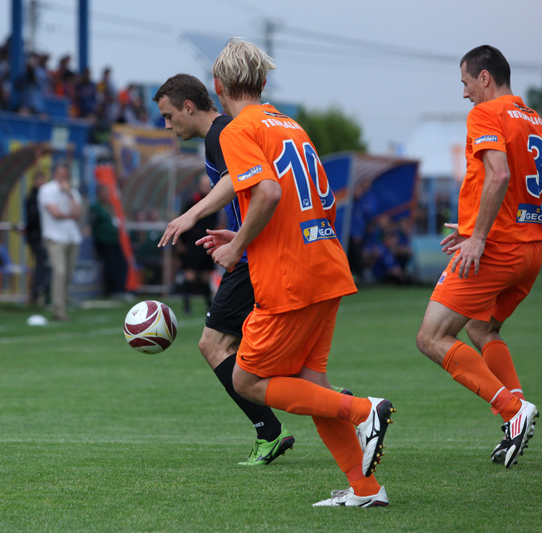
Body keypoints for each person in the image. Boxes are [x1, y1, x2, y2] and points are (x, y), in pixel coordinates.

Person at [199, 39, 395, 507]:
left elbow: (267, 194)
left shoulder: (236, 129)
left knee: (246, 380)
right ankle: (367, 489)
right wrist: (246, 236)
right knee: (311, 385)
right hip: (324, 260)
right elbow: (311, 199)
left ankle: (365, 410)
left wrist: (240, 244)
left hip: (292, 276)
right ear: (263, 83)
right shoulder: (289, 124)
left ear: (218, 85)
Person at [415, 45, 542, 469]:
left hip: (497, 248)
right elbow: (516, 187)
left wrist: (479, 237)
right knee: (480, 328)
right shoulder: (536, 122)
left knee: (431, 337)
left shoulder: (486, 114)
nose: (466, 93)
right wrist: (472, 225)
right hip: (529, 249)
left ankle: (511, 410)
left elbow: (500, 174)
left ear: (485, 77)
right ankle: (516, 415)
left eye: (466, 83)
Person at [154, 73, 295, 466]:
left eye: (168, 116)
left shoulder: (221, 133)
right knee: (253, 350)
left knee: (213, 345)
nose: (168, 126)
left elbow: (240, 178)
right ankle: (333, 400)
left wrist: (192, 214)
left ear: (188, 106)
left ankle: (272, 431)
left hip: (251, 258)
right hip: (255, 250)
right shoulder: (221, 134)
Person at [38, 162, 82, 321]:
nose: (62, 178)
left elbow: (77, 213)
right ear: (55, 174)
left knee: (68, 274)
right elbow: (54, 213)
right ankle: (58, 309)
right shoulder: (47, 190)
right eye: (60, 174)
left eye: (65, 175)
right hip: (54, 236)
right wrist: (69, 214)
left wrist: (69, 194)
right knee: (60, 271)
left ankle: (62, 302)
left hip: (72, 236)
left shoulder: (73, 192)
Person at [177, 174, 218, 314]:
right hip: (193, 245)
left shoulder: (215, 202)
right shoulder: (192, 202)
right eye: (204, 184)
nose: (207, 187)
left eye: (208, 184)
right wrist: (181, 242)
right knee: (190, 274)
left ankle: (209, 306)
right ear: (200, 186)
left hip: (208, 243)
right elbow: (182, 220)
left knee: (206, 276)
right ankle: (186, 306)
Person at [89, 186, 128, 298]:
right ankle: (111, 290)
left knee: (122, 263)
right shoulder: (96, 207)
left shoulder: (111, 206)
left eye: (107, 193)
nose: (106, 195)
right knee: (110, 265)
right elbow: (92, 223)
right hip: (104, 240)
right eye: (103, 193)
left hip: (114, 239)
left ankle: (120, 289)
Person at [23, 171, 50, 306]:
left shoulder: (45, 196)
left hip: (44, 236)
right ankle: (36, 291)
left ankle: (40, 291)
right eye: (39, 181)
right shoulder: (32, 198)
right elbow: (33, 220)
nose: (42, 184)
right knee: (41, 264)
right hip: (36, 236)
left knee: (44, 264)